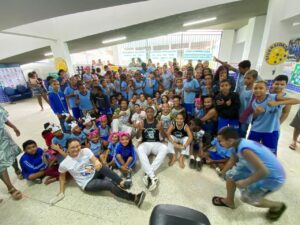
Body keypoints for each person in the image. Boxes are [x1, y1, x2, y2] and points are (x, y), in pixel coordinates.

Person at [212, 127, 286, 221]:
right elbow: (232, 160)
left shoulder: (245, 150)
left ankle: (278, 206)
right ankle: (229, 201)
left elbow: (264, 171)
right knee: (230, 176)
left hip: (272, 178)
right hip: (255, 168)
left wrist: (246, 182)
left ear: (230, 140)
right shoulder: (237, 144)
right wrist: (223, 172)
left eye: (220, 141)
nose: (219, 143)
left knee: (247, 198)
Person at [50, 139, 146, 208]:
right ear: (67, 149)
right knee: (109, 185)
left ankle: (121, 182)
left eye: (77, 146)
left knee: (102, 167)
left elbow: (94, 160)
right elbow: (62, 177)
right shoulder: (64, 164)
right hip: (87, 183)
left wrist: (96, 162)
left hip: (94, 172)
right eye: (72, 147)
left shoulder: (85, 151)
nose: (76, 149)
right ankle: (134, 198)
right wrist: (61, 192)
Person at [248, 80, 300, 155]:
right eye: (255, 88)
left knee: (270, 153)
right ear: (252, 90)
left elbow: (297, 100)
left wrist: (278, 103)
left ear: (267, 89)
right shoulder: (254, 102)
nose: (258, 90)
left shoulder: (274, 97)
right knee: (250, 149)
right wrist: (256, 113)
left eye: (261, 88)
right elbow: (254, 118)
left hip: (271, 131)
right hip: (256, 129)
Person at [136, 107, 169, 192]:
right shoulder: (142, 122)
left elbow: (164, 136)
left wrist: (161, 129)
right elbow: (137, 137)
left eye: (151, 112)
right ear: (146, 113)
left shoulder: (158, 122)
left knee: (165, 148)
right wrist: (140, 129)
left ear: (154, 113)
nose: (150, 113)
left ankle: (148, 174)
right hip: (146, 143)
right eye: (148, 112)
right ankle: (153, 176)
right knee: (139, 149)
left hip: (156, 143)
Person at [0, 105, 22, 200]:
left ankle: (16, 169)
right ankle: (11, 188)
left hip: (3, 136)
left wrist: (14, 127)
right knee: (1, 163)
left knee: (12, 153)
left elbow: (3, 118)